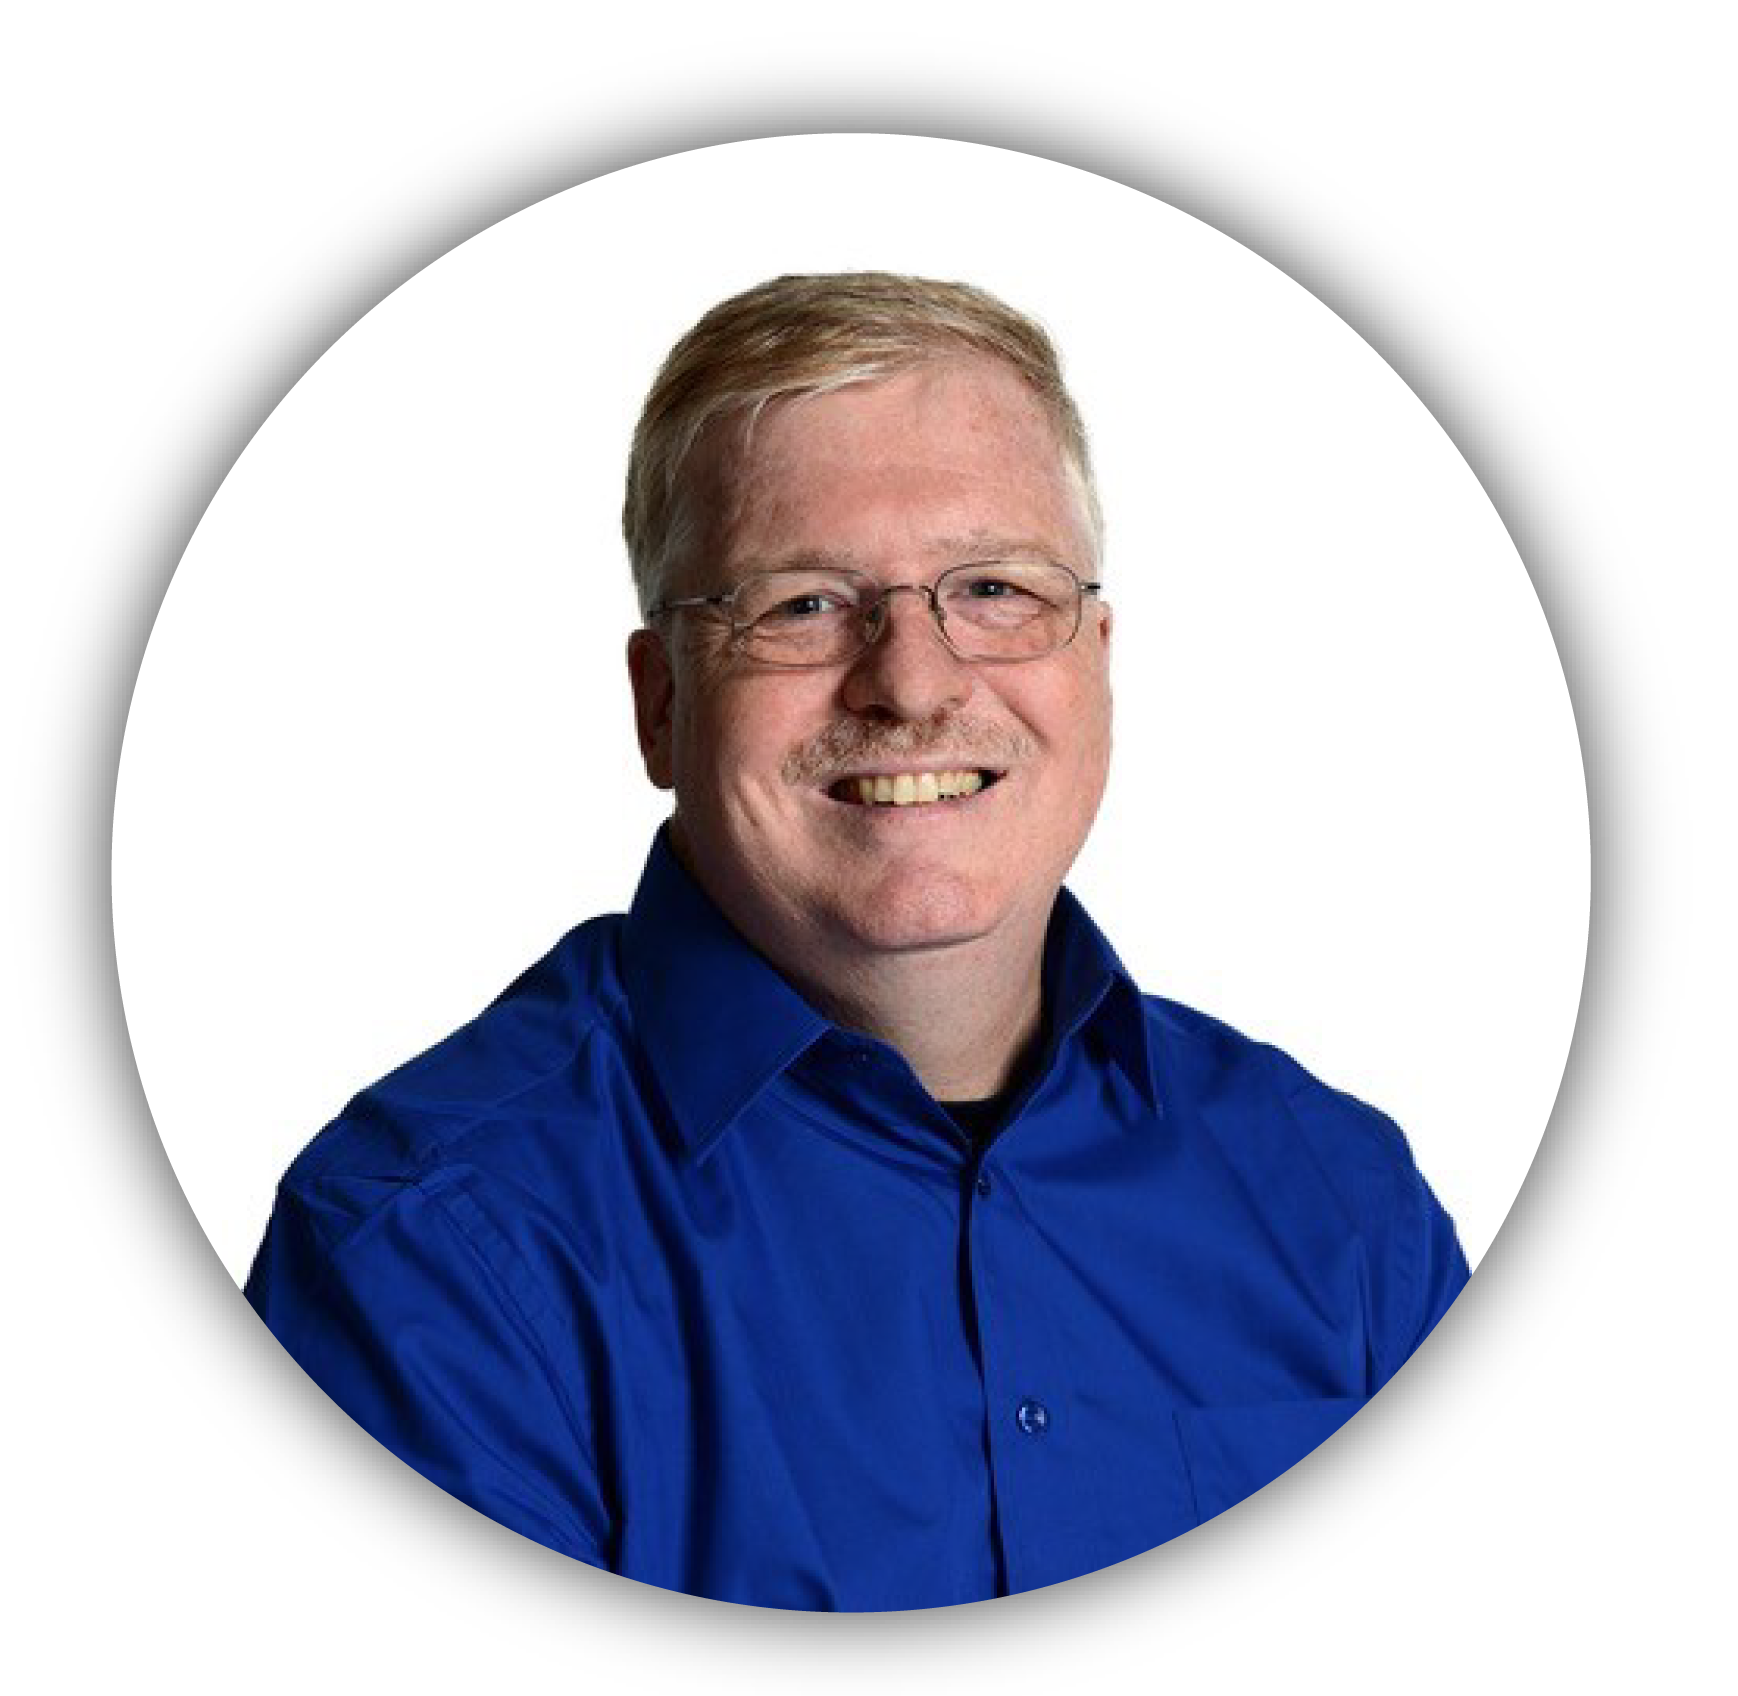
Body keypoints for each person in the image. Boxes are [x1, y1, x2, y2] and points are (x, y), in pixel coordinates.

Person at [244, 271, 1470, 1608]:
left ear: (1096, 662)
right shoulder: (432, 1252)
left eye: (994, 587)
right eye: (803, 605)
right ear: (661, 705)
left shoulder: (1343, 1207)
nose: (912, 682)